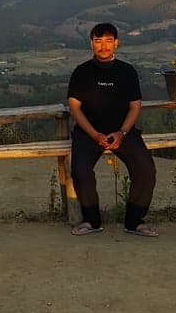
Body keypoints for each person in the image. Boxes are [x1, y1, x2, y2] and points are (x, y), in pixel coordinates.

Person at [67, 22, 157, 237]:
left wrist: (122, 133)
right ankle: (91, 220)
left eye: (108, 41)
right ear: (91, 44)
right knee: (80, 170)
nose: (103, 46)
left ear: (116, 43)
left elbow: (135, 106)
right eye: (98, 41)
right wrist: (93, 134)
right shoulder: (82, 72)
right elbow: (74, 107)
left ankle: (134, 221)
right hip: (88, 132)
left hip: (123, 132)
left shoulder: (127, 72)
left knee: (146, 169)